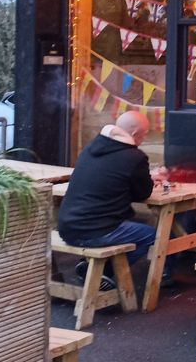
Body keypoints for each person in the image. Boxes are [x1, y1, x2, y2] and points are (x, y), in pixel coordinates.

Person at [58, 111, 171, 289]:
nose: (145, 137)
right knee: (155, 236)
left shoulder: (91, 147)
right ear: (134, 135)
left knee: (129, 225)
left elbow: (113, 178)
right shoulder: (134, 157)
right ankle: (106, 271)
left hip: (67, 226)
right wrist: (148, 178)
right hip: (95, 230)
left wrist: (143, 176)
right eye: (145, 133)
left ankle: (91, 266)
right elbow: (142, 193)